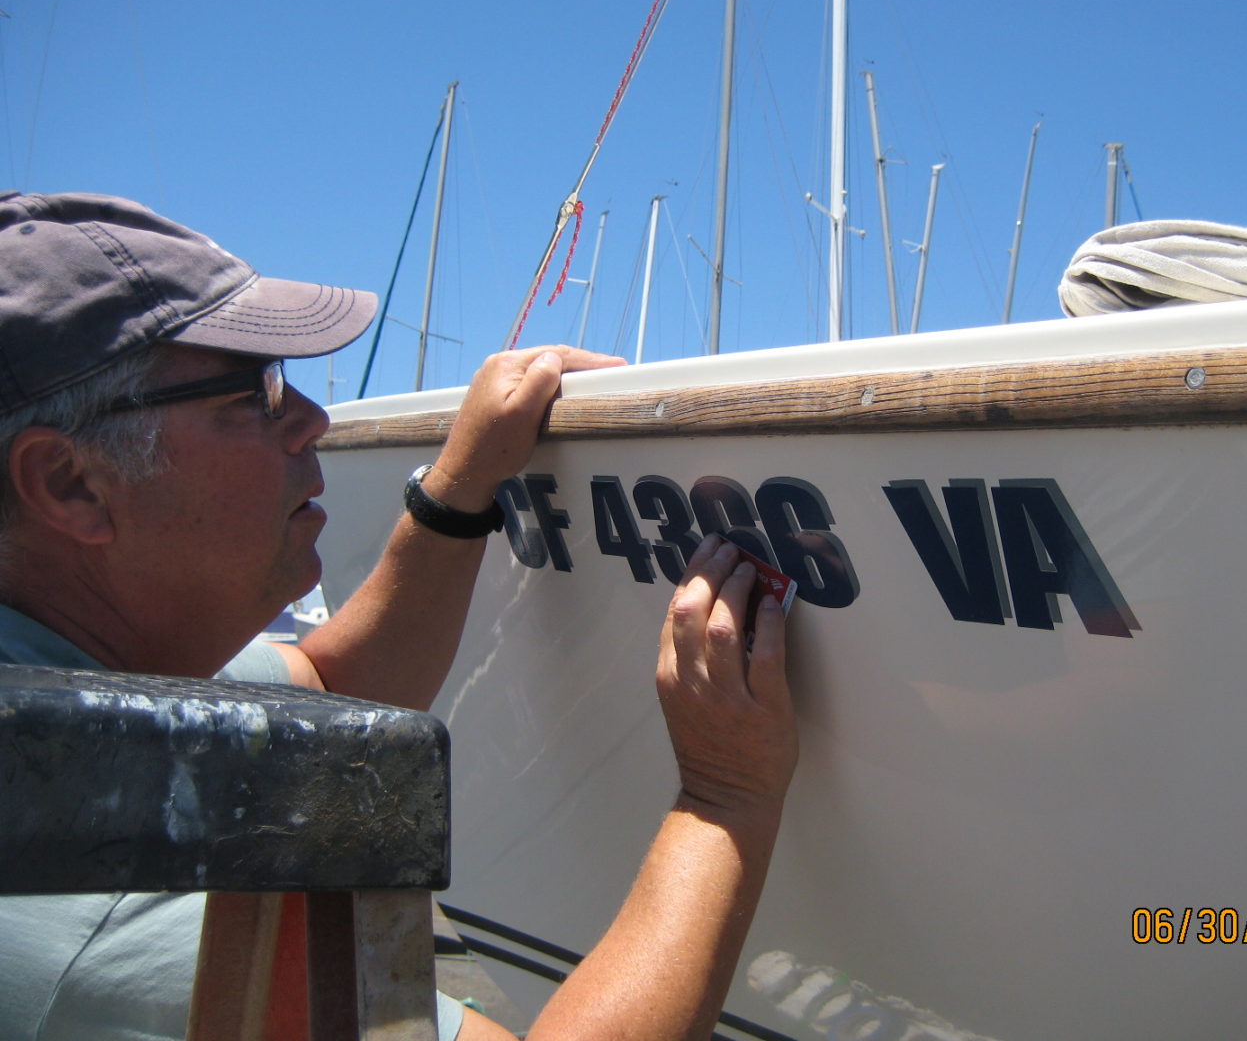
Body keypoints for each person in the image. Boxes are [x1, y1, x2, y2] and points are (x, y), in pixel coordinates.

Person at [0, 190, 797, 1041]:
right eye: (255, 392)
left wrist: (460, 487)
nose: (312, 420)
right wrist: (726, 800)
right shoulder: (92, 908)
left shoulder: (51, 678)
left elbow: (325, 692)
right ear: (69, 484)